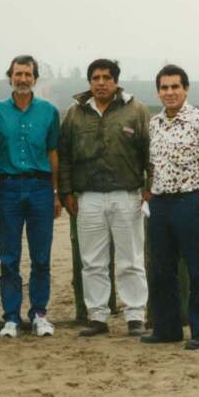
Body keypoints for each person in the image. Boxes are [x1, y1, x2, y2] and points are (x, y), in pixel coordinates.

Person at [59, 59, 151, 338]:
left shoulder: (136, 110)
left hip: (127, 195)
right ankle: (97, 316)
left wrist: (149, 188)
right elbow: (64, 156)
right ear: (89, 82)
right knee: (92, 261)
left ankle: (135, 316)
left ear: (116, 81)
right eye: (95, 78)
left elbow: (150, 151)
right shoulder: (75, 115)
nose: (101, 83)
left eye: (106, 77)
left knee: (131, 259)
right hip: (88, 198)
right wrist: (65, 193)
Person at [141, 64, 199, 350]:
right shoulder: (154, 124)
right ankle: (167, 329)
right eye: (164, 88)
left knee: (198, 268)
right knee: (161, 268)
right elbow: (153, 165)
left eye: (175, 86)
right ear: (158, 91)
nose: (169, 92)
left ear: (186, 89)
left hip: (193, 202)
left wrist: (196, 182)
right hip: (161, 204)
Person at [0, 54, 61, 338]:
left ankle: (39, 314)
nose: (23, 79)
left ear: (35, 78)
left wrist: (55, 192)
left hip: (41, 188)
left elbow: (53, 153)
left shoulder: (48, 112)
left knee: (41, 256)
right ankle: (11, 317)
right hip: (7, 188)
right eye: (18, 74)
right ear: (10, 77)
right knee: (9, 257)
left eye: (28, 74)